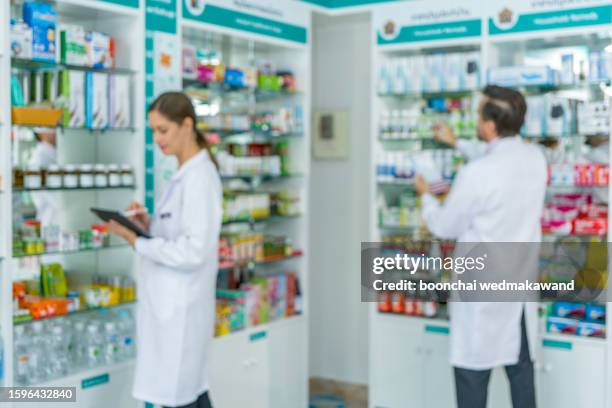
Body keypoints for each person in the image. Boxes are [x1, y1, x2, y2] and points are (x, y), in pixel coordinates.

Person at [414, 85, 547, 408]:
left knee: (472, 378)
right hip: (517, 286)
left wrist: (426, 196)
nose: (475, 118)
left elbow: (445, 226)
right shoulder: (534, 158)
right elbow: (497, 162)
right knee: (521, 377)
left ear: (489, 124)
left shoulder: (477, 173)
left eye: (477, 114)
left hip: (481, 292)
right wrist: (456, 142)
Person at [107, 92, 222, 408]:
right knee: (189, 394)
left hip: (181, 311)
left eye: (162, 130)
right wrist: (147, 225)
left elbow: (194, 251)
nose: (157, 139)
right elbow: (176, 235)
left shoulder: (200, 177)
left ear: (187, 125)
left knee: (181, 394)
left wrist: (138, 241)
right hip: (171, 309)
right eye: (153, 131)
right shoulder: (183, 175)